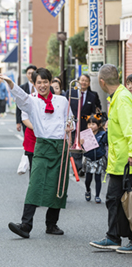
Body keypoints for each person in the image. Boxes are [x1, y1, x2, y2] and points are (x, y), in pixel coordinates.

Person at [0, 68, 75, 239]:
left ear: (50, 82)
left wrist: (71, 127)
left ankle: (52, 224)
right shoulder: (32, 101)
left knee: (58, 185)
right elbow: (21, 98)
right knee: (35, 184)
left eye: (45, 82)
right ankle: (25, 225)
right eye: (38, 82)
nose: (42, 85)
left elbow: (70, 120)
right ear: (34, 84)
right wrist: (11, 84)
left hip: (61, 146)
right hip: (42, 145)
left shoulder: (62, 100)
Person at [89, 64, 132, 254]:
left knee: (127, 202)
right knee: (114, 200)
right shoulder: (117, 98)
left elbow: (130, 128)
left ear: (102, 82)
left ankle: (126, 239)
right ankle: (113, 237)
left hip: (126, 162)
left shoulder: (122, 99)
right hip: (118, 162)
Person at [65, 74, 98, 177]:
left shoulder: (93, 96)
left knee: (86, 149)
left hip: (86, 127)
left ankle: (84, 167)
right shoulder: (70, 92)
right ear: (78, 81)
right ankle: (79, 169)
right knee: (75, 150)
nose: (84, 82)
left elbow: (94, 112)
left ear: (89, 83)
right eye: (82, 80)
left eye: (86, 81)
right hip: (73, 126)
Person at [80, 114, 107, 204]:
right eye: (89, 124)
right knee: (88, 178)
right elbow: (81, 147)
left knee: (98, 177)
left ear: (99, 125)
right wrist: (81, 143)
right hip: (88, 158)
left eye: (93, 124)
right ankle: (88, 190)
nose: (90, 126)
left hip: (99, 158)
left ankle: (97, 196)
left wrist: (107, 131)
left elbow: (106, 142)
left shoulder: (102, 134)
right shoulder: (84, 134)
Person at [16, 65, 37, 133]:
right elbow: (19, 105)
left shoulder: (40, 87)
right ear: (26, 74)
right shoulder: (22, 88)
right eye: (29, 73)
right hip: (26, 119)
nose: (31, 75)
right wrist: (18, 122)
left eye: (33, 73)